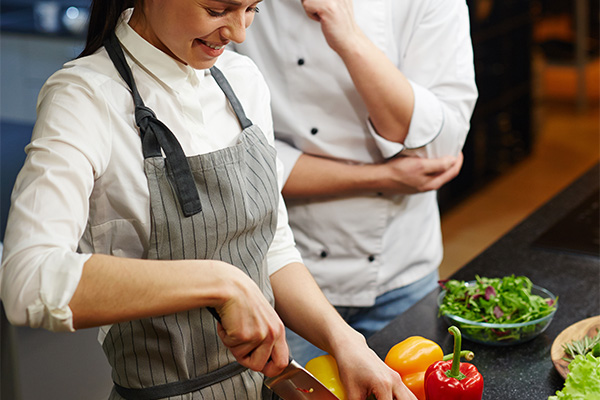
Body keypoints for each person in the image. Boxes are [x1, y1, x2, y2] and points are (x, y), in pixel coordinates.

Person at [0, 1, 417, 399]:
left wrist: (346, 341)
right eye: (217, 10)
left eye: (252, 9)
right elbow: (28, 279)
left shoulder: (242, 79)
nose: (237, 33)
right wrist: (222, 282)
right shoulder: (84, 95)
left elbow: (270, 245)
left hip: (266, 387)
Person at [233, 0, 478, 365]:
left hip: (401, 271)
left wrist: (348, 37)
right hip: (284, 283)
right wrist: (381, 177)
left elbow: (437, 148)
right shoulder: (241, 8)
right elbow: (239, 157)